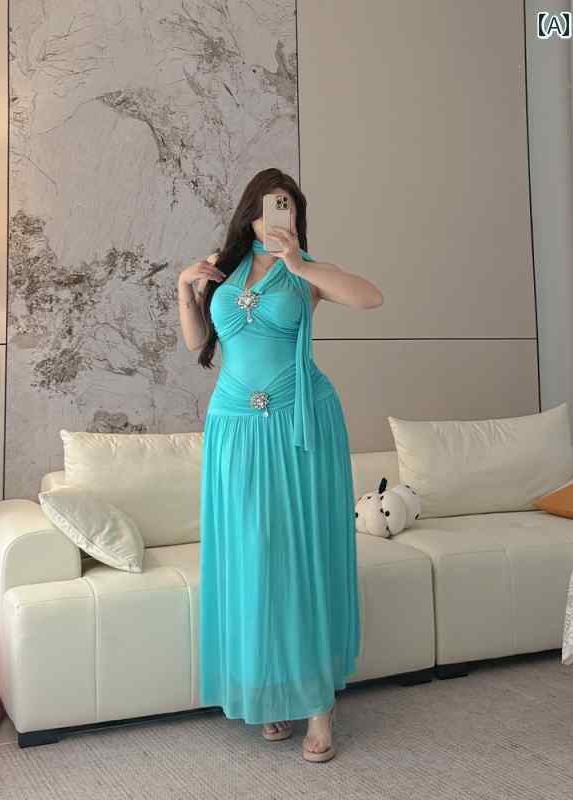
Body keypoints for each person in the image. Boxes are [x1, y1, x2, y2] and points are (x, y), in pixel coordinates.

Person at [178, 167, 384, 762]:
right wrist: (184, 287)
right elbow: (196, 344)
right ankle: (269, 694)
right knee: (251, 558)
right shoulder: (222, 267)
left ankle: (317, 705)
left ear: (296, 215)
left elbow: (370, 297)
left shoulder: (306, 271)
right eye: (270, 205)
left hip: (299, 426)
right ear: (250, 214)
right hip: (234, 430)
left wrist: (298, 262)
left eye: (288, 205)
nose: (277, 215)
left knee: (300, 556)